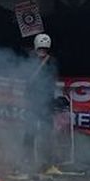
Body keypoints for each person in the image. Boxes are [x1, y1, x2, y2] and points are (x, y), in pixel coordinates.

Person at [24, 33, 58, 171]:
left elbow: (52, 80)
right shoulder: (31, 60)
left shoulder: (49, 61)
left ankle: (47, 163)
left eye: (44, 49)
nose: (42, 51)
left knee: (46, 134)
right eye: (41, 48)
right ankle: (27, 162)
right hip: (35, 102)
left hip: (45, 102)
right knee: (30, 133)